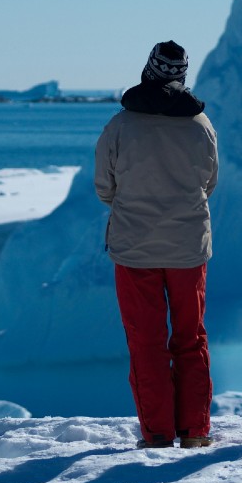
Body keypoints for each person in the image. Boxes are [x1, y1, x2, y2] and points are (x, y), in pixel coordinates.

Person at [94, 40, 219, 449]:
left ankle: (158, 434)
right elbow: (209, 182)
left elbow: (104, 187)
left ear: (148, 70)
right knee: (191, 337)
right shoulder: (201, 126)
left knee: (146, 342)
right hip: (188, 249)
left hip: (134, 250)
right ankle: (196, 431)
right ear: (183, 75)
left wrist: (134, 208)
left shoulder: (121, 126)